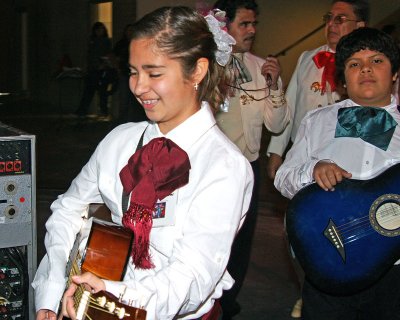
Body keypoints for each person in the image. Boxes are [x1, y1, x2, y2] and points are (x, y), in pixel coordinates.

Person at [32, 6, 253, 320]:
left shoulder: (224, 166)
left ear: (197, 71)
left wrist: (116, 296)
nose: (138, 87)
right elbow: (69, 208)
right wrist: (50, 294)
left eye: (154, 73)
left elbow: (191, 277)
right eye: (134, 71)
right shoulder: (120, 140)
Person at [274, 27, 400, 319]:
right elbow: (283, 177)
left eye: (377, 61)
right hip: (330, 258)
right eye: (354, 64)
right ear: (342, 78)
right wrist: (312, 171)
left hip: (393, 270)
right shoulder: (318, 121)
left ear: (394, 73)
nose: (366, 69)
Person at [212, 1, 290, 318]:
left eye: (254, 23)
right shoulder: (209, 66)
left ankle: (228, 303)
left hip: (249, 167)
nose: (252, 30)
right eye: (244, 24)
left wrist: (275, 86)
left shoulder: (261, 67)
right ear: (224, 26)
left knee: (242, 240)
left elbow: (277, 124)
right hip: (214, 169)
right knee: (215, 236)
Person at [266, 0, 369, 180]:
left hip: (343, 156)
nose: (331, 24)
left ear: (359, 25)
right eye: (329, 18)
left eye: (340, 19)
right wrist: (276, 151)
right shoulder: (307, 58)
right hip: (302, 152)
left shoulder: (365, 66)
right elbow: (289, 105)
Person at [75, 22, 118, 120]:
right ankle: (84, 110)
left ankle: (103, 111)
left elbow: (108, 55)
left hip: (102, 70)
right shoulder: (92, 41)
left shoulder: (105, 41)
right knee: (89, 91)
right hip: (93, 69)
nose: (100, 32)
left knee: (101, 92)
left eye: (101, 30)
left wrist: (103, 64)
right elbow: (89, 56)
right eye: (98, 30)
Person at [113, 23, 147, 123]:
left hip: (135, 74)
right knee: (124, 99)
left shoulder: (138, 43)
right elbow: (115, 57)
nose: (130, 33)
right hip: (124, 73)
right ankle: (122, 120)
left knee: (134, 101)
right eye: (128, 31)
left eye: (132, 31)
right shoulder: (121, 44)